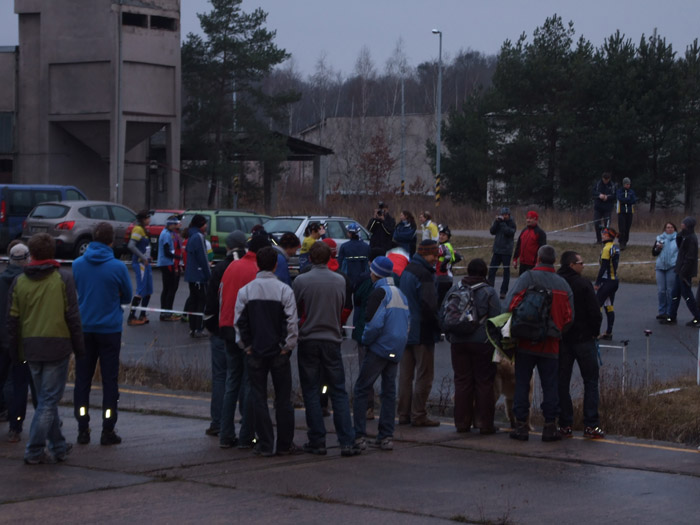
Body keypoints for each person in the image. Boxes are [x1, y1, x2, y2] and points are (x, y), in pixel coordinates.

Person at [7, 233, 84, 464]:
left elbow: (12, 320)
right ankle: (34, 449)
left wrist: (14, 351)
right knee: (48, 402)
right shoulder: (63, 279)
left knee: (44, 399)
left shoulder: (19, 282)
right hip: (56, 345)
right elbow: (72, 316)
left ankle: (58, 446)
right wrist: (80, 349)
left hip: (30, 346)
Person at [293, 241, 361, 457]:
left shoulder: (301, 280)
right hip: (332, 339)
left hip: (309, 338)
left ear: (310, 259)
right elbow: (343, 307)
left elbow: (295, 309)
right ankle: (347, 441)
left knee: (311, 391)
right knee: (338, 391)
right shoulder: (340, 281)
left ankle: (317, 440)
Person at [235, 246, 300, 456]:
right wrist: (286, 347)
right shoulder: (284, 290)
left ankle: (264, 444)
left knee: (258, 398)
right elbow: (292, 323)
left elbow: (239, 323)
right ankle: (284, 444)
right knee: (283, 400)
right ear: (275, 265)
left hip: (255, 352)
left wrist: (247, 346)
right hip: (278, 353)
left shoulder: (245, 291)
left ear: (257, 265)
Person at [72, 222, 133, 446]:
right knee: (109, 381)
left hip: (85, 326)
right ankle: (108, 428)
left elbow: (77, 290)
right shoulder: (117, 267)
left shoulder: (78, 264)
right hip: (109, 329)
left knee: (82, 380)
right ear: (112, 241)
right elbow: (127, 296)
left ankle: (82, 426)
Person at [506, 245, 573, 442]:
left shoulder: (527, 278)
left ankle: (521, 426)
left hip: (526, 341)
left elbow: (511, 304)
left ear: (537, 258)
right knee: (550, 385)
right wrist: (557, 331)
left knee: (522, 384)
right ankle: (550, 426)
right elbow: (569, 317)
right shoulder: (563, 285)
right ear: (555, 261)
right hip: (551, 344)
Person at [218, 234, 270, 449]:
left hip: (227, 327)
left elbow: (222, 296)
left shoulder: (233, 266)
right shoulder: (257, 272)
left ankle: (225, 433)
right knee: (250, 383)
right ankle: (246, 434)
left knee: (232, 382)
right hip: (247, 332)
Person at [353, 256, 410, 452]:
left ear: (375, 273)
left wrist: (366, 340)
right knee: (389, 391)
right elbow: (407, 321)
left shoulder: (379, 293)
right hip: (396, 348)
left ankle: (358, 435)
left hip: (379, 347)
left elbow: (374, 323)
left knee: (362, 389)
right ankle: (386, 436)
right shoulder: (400, 293)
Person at [444, 258, 501, 434]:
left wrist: (451, 336)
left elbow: (443, 314)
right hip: (482, 343)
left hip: (458, 342)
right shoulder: (489, 291)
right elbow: (496, 318)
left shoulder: (455, 288)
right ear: (484, 272)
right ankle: (484, 423)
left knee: (462, 381)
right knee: (484, 382)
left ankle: (462, 423)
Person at [202, 230, 247, 438]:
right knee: (243, 378)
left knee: (221, 377)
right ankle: (246, 423)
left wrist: (210, 324)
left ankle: (218, 423)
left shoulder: (221, 268)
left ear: (228, 246)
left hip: (222, 328)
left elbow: (211, 299)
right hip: (245, 331)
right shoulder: (249, 267)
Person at [557, 250, 605, 440]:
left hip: (562, 339)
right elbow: (595, 312)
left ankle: (565, 424)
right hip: (584, 339)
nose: (583, 266)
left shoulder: (556, 282)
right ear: (572, 265)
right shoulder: (583, 284)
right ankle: (591, 425)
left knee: (562, 382)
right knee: (591, 381)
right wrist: (594, 332)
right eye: (581, 263)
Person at [398, 239, 441, 427]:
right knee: (424, 374)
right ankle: (419, 414)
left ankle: (403, 413)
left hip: (405, 328)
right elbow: (429, 305)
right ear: (426, 254)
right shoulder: (425, 274)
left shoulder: (407, 270)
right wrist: (439, 325)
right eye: (434, 256)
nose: (436, 260)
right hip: (422, 331)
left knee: (405, 375)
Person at [0, 242, 36, 443]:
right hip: (19, 341)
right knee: (19, 384)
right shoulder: (25, 283)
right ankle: (16, 425)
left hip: (2, 338)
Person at [664, 217, 700, 326]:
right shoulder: (684, 236)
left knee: (687, 295)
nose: (681, 224)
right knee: (675, 293)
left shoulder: (691, 239)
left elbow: (690, 258)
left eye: (683, 223)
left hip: (685, 273)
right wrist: (680, 234)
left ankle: (697, 317)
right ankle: (671, 316)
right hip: (679, 270)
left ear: (688, 225)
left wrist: (683, 272)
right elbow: (679, 243)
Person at [184, 214, 211, 338]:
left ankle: (192, 328)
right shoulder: (198, 237)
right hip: (199, 276)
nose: (206, 226)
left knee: (193, 301)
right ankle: (199, 328)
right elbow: (203, 258)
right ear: (201, 224)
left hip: (191, 275)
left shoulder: (191, 236)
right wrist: (208, 274)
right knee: (202, 301)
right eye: (205, 223)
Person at [127, 210, 153, 326]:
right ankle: (131, 317)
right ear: (143, 219)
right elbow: (131, 246)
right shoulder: (137, 229)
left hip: (146, 263)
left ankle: (143, 314)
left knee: (148, 290)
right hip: (140, 264)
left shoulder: (143, 230)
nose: (150, 220)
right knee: (141, 290)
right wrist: (143, 257)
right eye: (148, 218)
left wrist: (147, 256)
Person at [595, 228, 621, 340]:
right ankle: (608, 332)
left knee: (597, 306)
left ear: (610, 236)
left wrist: (597, 282)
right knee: (609, 306)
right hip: (614, 281)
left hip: (607, 281)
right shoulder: (615, 246)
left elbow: (603, 267)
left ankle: (595, 332)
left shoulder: (607, 248)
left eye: (605, 235)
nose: (602, 236)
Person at [487, 207, 517, 299]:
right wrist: (496, 222)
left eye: (506, 215)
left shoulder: (512, 223)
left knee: (506, 272)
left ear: (509, 215)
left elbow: (509, 232)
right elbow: (492, 231)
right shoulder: (498, 222)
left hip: (506, 251)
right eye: (503, 215)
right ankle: (489, 289)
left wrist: (503, 223)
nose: (504, 216)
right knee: (492, 270)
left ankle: (503, 291)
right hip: (497, 250)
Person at [156, 216, 182, 321]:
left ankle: (165, 312)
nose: (176, 227)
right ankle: (167, 313)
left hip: (166, 263)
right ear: (170, 225)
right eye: (174, 225)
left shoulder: (167, 233)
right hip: (167, 263)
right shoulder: (166, 234)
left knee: (167, 288)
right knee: (170, 288)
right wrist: (177, 257)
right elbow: (167, 251)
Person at [653, 222, 678, 321]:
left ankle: (669, 312)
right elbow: (654, 253)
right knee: (661, 291)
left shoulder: (678, 239)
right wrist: (658, 248)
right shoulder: (659, 238)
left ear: (674, 229)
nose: (670, 229)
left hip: (672, 266)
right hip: (660, 267)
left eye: (671, 227)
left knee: (670, 291)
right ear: (665, 229)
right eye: (668, 227)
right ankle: (662, 311)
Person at [512, 211, 546, 275]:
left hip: (533, 265)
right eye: (527, 218)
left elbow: (542, 249)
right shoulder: (524, 230)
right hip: (523, 263)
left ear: (535, 219)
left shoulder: (540, 233)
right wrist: (515, 258)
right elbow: (518, 245)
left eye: (530, 218)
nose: (528, 220)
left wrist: (538, 262)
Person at [337, 222, 370, 288]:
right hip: (362, 279)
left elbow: (339, 263)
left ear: (350, 234)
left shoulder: (344, 246)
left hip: (348, 278)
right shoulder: (366, 246)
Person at [436, 224, 462, 306]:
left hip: (442, 277)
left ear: (448, 237)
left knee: (440, 303)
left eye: (443, 235)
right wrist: (450, 263)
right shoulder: (449, 246)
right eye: (440, 234)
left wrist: (443, 266)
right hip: (448, 277)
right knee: (445, 301)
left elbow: (448, 256)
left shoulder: (443, 246)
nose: (441, 236)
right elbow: (459, 257)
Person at [592, 172, 616, 244]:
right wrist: (599, 195)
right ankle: (599, 240)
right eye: (604, 179)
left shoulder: (612, 185)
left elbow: (614, 195)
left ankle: (606, 240)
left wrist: (607, 197)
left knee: (607, 224)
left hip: (607, 208)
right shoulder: (598, 184)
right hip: (598, 208)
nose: (605, 181)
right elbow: (593, 192)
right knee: (597, 223)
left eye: (607, 179)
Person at [616, 177, 636, 250]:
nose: (628, 186)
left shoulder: (631, 192)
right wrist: (627, 200)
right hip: (621, 212)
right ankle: (621, 242)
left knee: (627, 228)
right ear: (624, 184)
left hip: (630, 212)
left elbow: (633, 200)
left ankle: (626, 241)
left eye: (629, 184)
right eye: (627, 184)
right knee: (622, 228)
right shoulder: (619, 191)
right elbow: (620, 199)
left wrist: (627, 201)